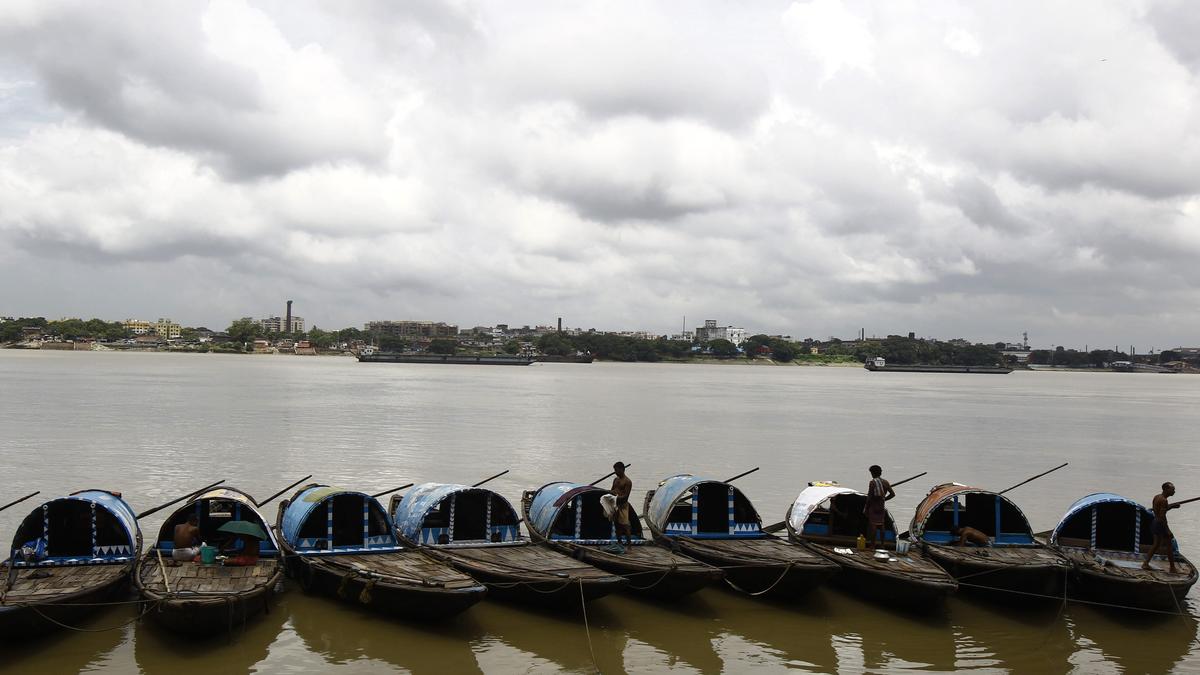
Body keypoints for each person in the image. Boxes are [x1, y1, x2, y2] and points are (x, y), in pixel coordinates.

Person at [1144, 482, 1180, 573]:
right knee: (1169, 546)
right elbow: (1162, 516)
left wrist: (1172, 506)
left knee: (1156, 545)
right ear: (1166, 489)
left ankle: (1145, 563)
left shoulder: (1157, 497)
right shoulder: (1164, 500)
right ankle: (1172, 568)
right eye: (1172, 489)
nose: (1174, 491)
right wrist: (1167, 530)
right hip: (1160, 524)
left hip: (1155, 522)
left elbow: (1159, 510)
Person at [864, 465, 895, 548]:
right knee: (881, 526)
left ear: (873, 473)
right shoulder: (885, 482)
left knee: (873, 526)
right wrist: (884, 499)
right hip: (881, 506)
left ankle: (873, 545)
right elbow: (892, 494)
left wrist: (866, 508)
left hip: (873, 506)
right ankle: (882, 544)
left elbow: (870, 497)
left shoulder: (873, 482)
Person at [609, 462, 633, 552]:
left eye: (616, 470)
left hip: (623, 505)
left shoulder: (627, 481)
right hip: (615, 504)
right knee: (617, 525)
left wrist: (617, 497)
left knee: (625, 525)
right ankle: (620, 543)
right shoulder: (615, 480)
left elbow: (626, 496)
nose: (615, 472)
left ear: (622, 469)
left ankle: (629, 546)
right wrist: (610, 494)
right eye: (614, 470)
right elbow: (612, 490)